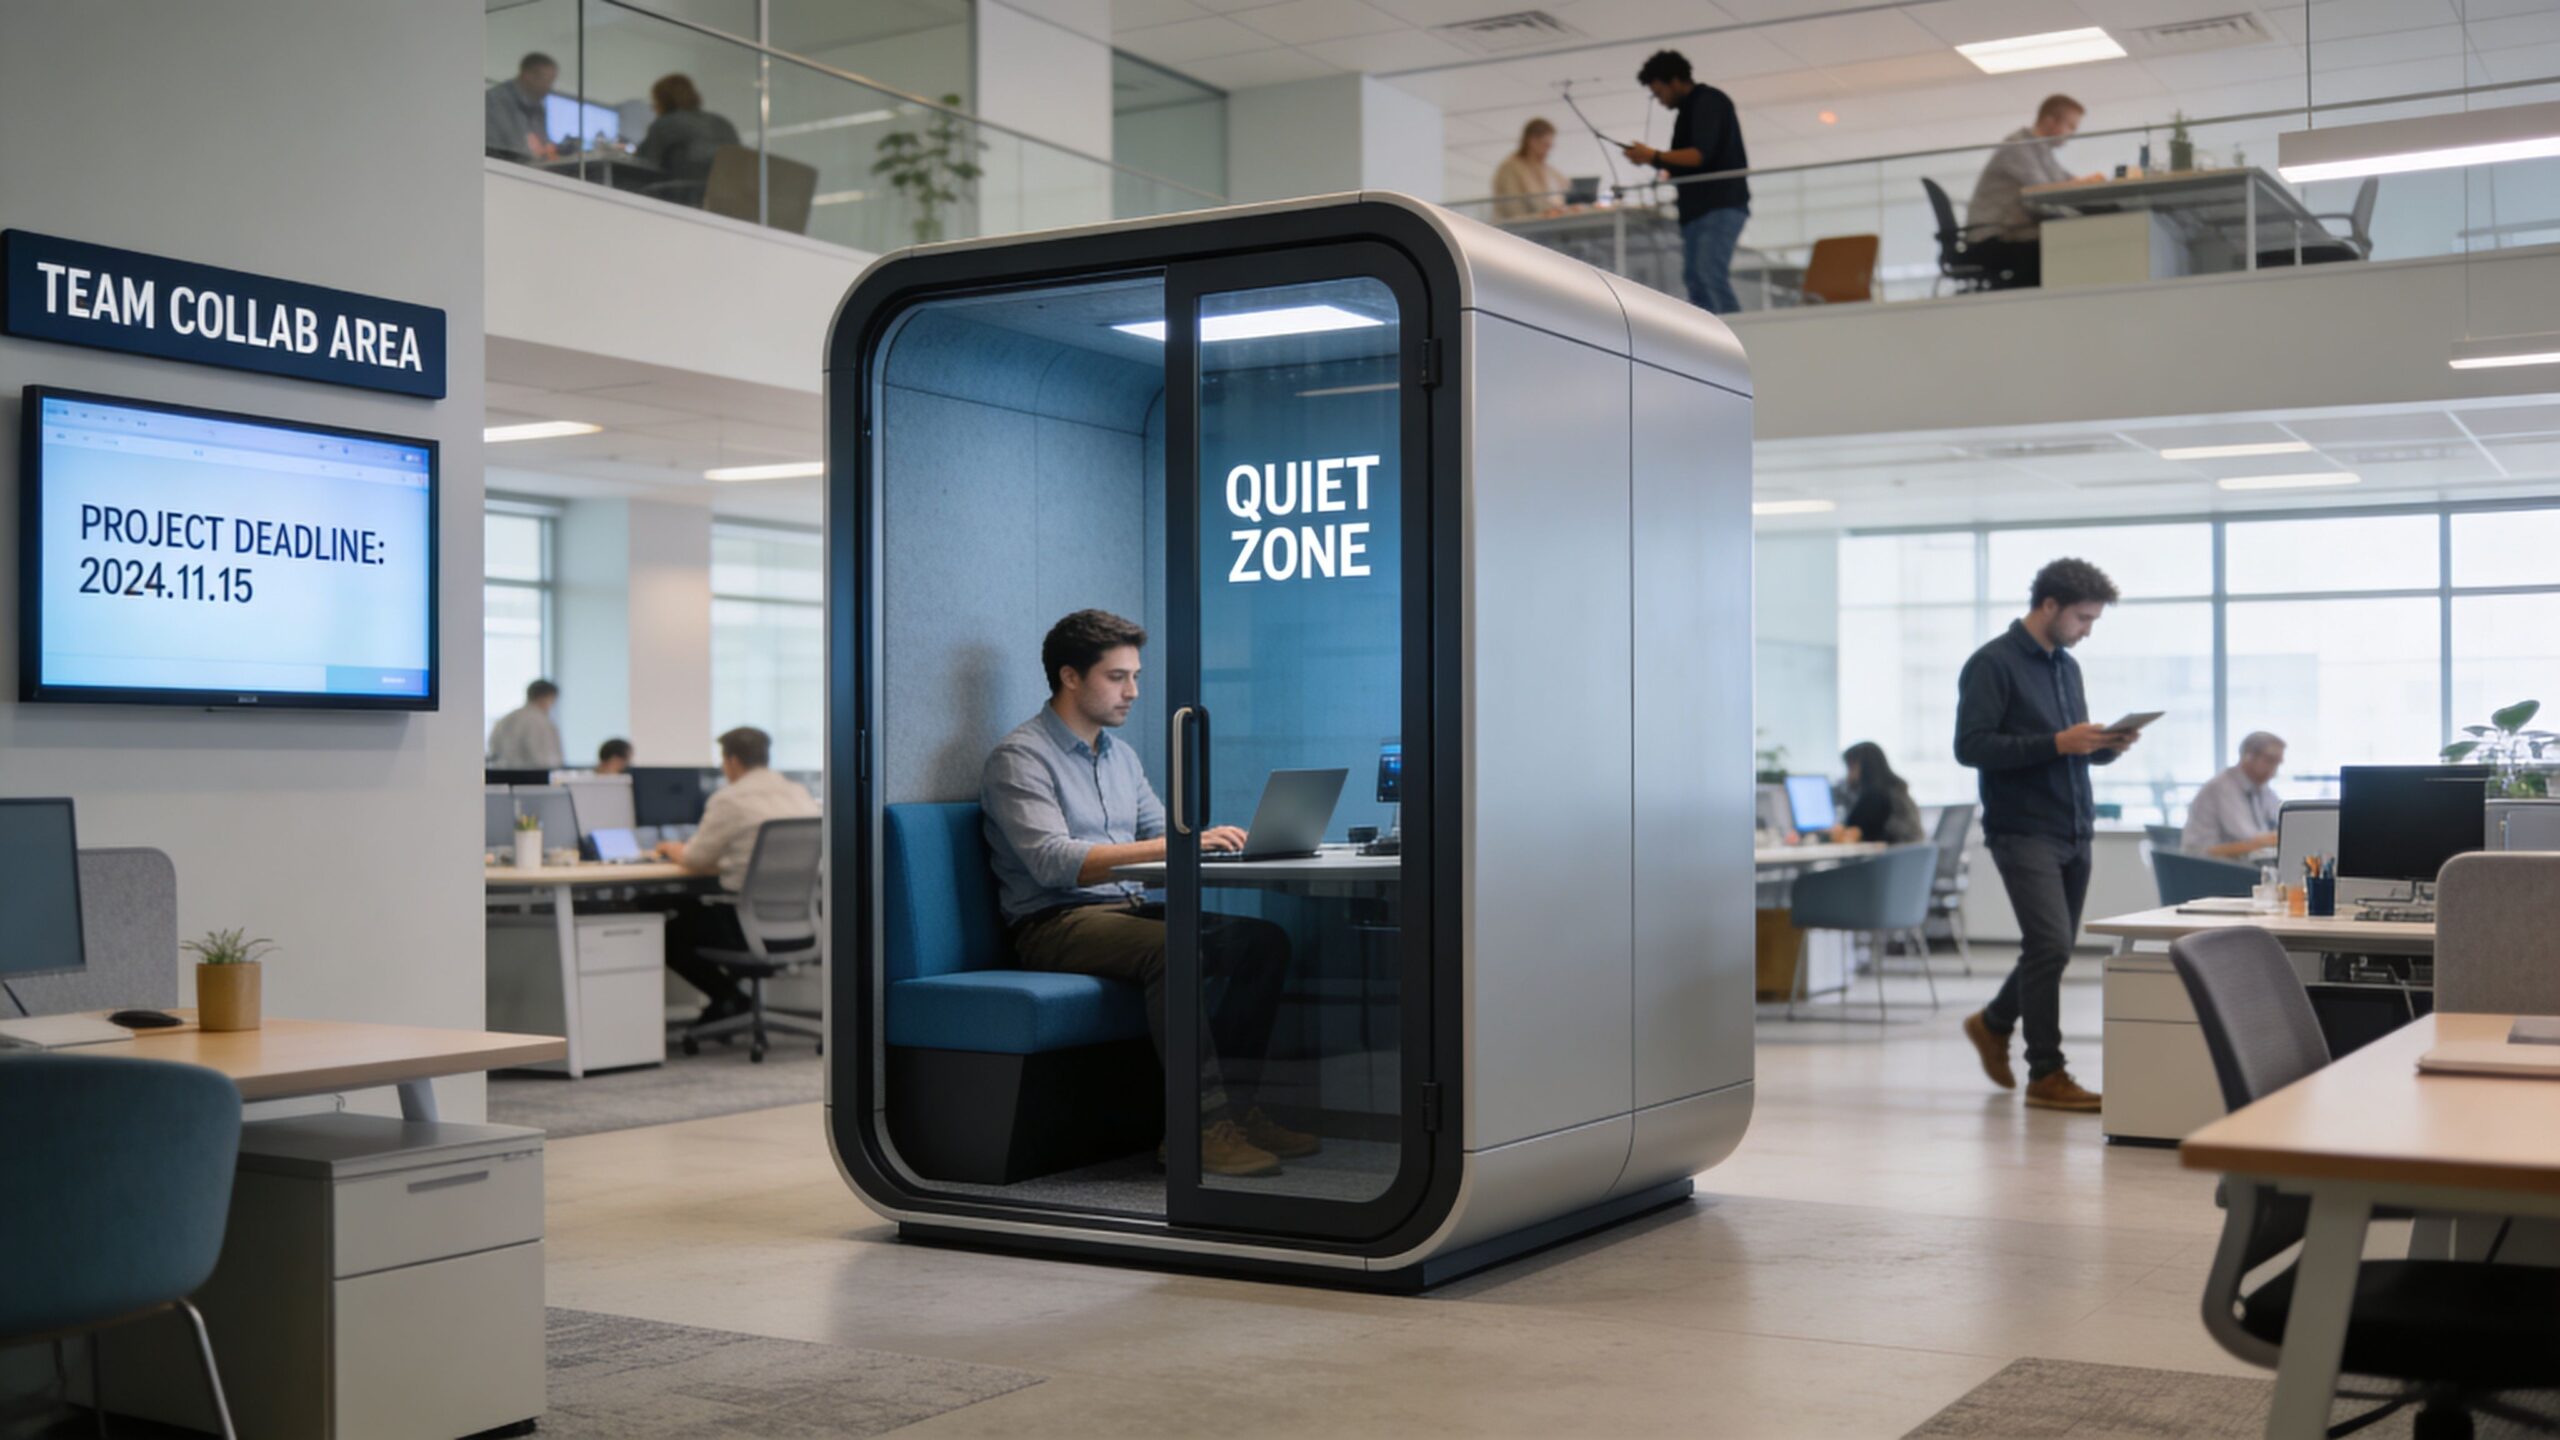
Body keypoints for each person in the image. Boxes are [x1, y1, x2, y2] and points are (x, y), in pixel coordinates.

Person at [981, 609, 1312, 1179]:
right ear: (1070, 677)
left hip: (1129, 909)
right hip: (1055, 924)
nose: (1133, 691)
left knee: (1263, 942)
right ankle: (1200, 1128)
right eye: (1118, 677)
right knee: (1174, 947)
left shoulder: (1120, 756)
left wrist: (1217, 844)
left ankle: (1237, 1108)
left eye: (1135, 676)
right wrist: (1183, 841)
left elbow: (1161, 836)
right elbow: (1055, 863)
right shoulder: (1020, 757)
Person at [1955, 558, 2136, 1114]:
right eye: (2083, 618)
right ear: (2049, 606)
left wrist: (2100, 747)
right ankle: (2047, 1072)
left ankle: (1992, 1023)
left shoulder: (2065, 666)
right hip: (2023, 830)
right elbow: (1972, 747)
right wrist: (2059, 743)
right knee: (2052, 946)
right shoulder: (1992, 663)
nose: (2087, 630)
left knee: (2049, 950)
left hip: (2074, 827)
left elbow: (2062, 748)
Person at [655, 726, 821, 1022]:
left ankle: (729, 997)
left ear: (731, 761)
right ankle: (730, 1001)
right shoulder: (799, 794)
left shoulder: (729, 799)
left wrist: (670, 848)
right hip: (799, 925)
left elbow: (694, 858)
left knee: (666, 930)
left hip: (744, 926)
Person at [1621, 50, 1749, 315]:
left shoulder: (1708, 101)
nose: (1659, 100)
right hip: (1698, 210)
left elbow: (1699, 154)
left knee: (1707, 273)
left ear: (1675, 81)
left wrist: (1653, 155)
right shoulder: (1688, 111)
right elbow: (1685, 161)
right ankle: (1711, 337)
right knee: (1695, 278)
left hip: (1719, 205)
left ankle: (1736, 335)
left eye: (1659, 92)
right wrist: (1654, 160)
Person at [1962, 95, 2101, 289]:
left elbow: (2064, 181)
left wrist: (2088, 184)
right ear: (2049, 120)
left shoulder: (2041, 151)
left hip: (2015, 233)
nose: (2072, 134)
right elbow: (2043, 191)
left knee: (2072, 244)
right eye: (2070, 126)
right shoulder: (2017, 147)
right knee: (2066, 250)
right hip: (1992, 238)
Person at [634, 73, 741, 196]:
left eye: (655, 102)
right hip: (723, 198)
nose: (654, 108)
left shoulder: (667, 123)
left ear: (663, 101)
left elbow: (644, 162)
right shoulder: (722, 123)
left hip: (682, 197)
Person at [2183, 732, 2284, 859]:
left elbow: (2276, 820)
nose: (2274, 771)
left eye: (2278, 763)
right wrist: (2278, 837)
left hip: (2237, 862)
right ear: (2248, 756)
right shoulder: (2223, 788)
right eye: (2270, 761)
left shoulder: (2262, 789)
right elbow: (2251, 838)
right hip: (2207, 863)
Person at [1831, 741, 1925, 846]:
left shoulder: (1875, 797)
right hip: (1907, 859)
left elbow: (1850, 832)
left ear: (1860, 767)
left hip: (1886, 860)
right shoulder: (1897, 791)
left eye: (1850, 767)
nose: (1848, 775)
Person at [485, 52, 559, 163]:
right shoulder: (495, 101)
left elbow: (542, 147)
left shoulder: (538, 108)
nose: (549, 87)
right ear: (527, 75)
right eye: (546, 80)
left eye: (551, 81)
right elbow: (496, 148)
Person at [1491, 119, 1571, 222]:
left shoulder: (1546, 169)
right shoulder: (1511, 167)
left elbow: (1565, 189)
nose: (1548, 151)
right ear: (1532, 141)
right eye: (1546, 145)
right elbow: (1513, 208)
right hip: (1519, 230)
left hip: (1544, 224)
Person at [487, 679, 565, 770]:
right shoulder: (540, 721)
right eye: (552, 700)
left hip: (503, 778)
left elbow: (493, 750)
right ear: (545, 697)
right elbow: (546, 760)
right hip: (533, 779)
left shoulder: (506, 719)